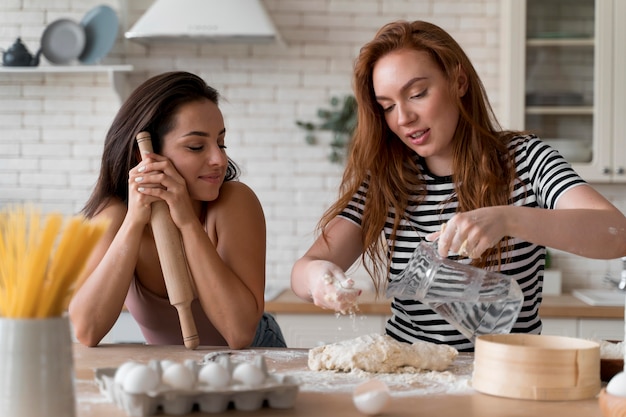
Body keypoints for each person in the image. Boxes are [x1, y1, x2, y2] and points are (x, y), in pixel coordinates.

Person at [290, 20, 626, 352]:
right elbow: (304, 271)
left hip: (508, 372)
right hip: (411, 375)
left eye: (417, 93)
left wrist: (508, 219)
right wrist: (319, 277)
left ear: (459, 81)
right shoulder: (386, 181)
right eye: (388, 107)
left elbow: (616, 233)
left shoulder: (524, 160)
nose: (403, 118)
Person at [69, 71, 285, 349]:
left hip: (255, 356)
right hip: (177, 366)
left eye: (221, 143)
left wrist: (187, 222)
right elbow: (87, 331)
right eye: (196, 147)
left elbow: (239, 333)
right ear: (145, 156)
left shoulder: (233, 202)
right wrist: (134, 223)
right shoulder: (114, 217)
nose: (219, 159)